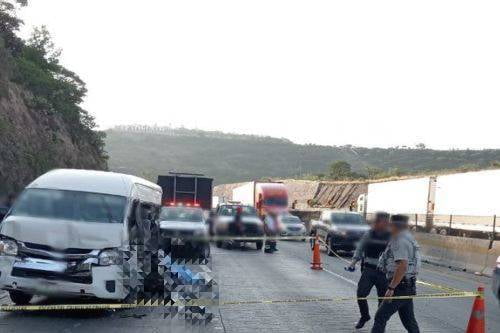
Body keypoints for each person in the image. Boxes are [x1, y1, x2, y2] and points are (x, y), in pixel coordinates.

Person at [371, 214, 421, 333]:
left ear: (394, 226)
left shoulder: (398, 241)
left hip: (400, 287)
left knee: (380, 317)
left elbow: (402, 266)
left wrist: (391, 287)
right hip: (408, 286)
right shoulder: (409, 239)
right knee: (409, 321)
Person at [346, 211, 391, 329]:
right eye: (378, 221)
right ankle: (364, 316)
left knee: (382, 301)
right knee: (361, 295)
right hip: (369, 270)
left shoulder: (391, 236)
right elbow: (360, 248)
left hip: (384, 273)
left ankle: (379, 325)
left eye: (383, 221)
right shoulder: (369, 234)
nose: (379, 223)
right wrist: (353, 262)